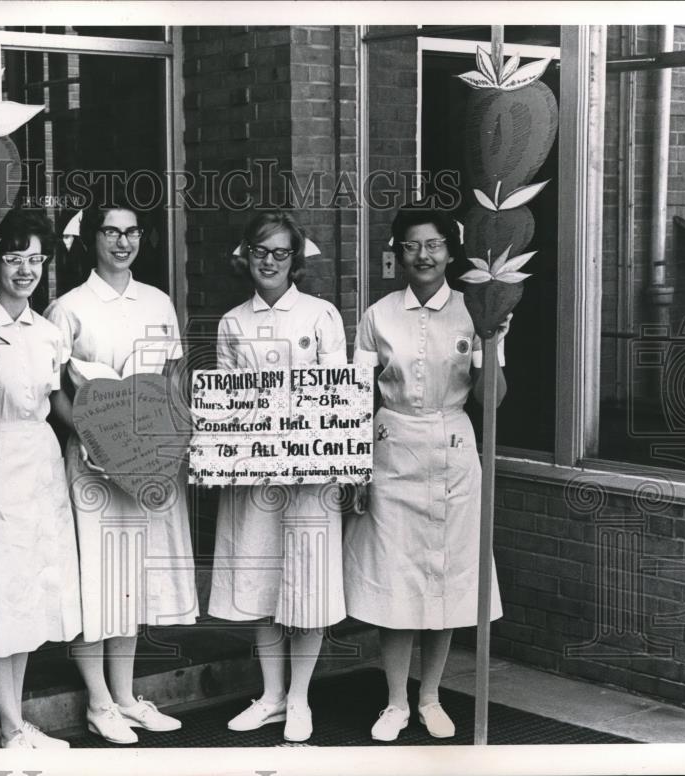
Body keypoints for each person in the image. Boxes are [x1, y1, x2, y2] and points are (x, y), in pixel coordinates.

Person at [343, 207, 511, 742]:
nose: (424, 256)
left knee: (444, 578)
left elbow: (493, 400)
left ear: (449, 250)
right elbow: (356, 396)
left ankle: (431, 697)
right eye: (413, 246)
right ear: (398, 252)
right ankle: (395, 702)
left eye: (434, 245)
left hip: (454, 448)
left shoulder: (475, 311)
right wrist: (356, 469)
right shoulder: (377, 315)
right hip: (392, 449)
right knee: (397, 578)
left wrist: (490, 342)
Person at [46, 190, 198, 745]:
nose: (123, 242)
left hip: (145, 465)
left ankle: (128, 696)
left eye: (132, 232)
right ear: (92, 240)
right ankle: (98, 701)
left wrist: (165, 438)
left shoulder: (158, 302)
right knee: (97, 581)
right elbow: (53, 389)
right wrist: (91, 435)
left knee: (129, 580)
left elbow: (174, 377)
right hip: (91, 464)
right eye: (112, 232)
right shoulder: (67, 307)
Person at [207, 210, 348, 743]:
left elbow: (338, 397)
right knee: (264, 583)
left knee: (306, 585)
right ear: (246, 255)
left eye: (280, 253)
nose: (269, 262)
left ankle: (299, 698)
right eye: (260, 251)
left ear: (295, 260)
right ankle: (269, 695)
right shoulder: (231, 323)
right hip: (254, 477)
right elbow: (225, 402)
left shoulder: (320, 316)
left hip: (310, 475)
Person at [0, 209, 82, 749]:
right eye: (14, 258)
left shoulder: (48, 331)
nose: (26, 269)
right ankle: (10, 726)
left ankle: (11, 722)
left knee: (30, 592)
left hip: (41, 461)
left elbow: (58, 402)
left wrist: (105, 438)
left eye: (36, 259)